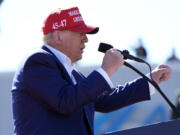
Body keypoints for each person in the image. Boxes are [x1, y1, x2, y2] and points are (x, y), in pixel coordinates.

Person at [11, 7, 171, 135]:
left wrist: (150, 80)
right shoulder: (37, 61)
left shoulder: (73, 73)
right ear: (58, 36)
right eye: (80, 33)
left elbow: (105, 100)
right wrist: (105, 70)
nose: (86, 39)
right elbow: (65, 101)